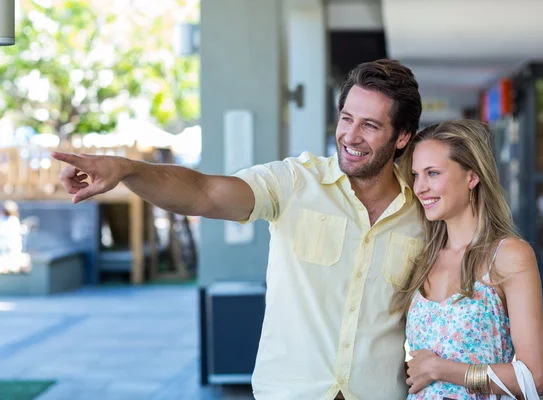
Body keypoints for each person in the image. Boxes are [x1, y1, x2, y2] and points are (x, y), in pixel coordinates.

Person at [52, 59, 424, 400]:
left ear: (402, 136)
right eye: (346, 118)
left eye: (370, 125)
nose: (351, 135)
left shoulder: (423, 212)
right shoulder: (296, 181)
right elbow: (204, 193)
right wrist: (129, 169)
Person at [391, 120, 543, 399]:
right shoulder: (424, 257)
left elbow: (533, 378)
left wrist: (441, 369)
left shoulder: (508, 256)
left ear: (472, 177)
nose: (420, 187)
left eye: (433, 173)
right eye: (416, 175)